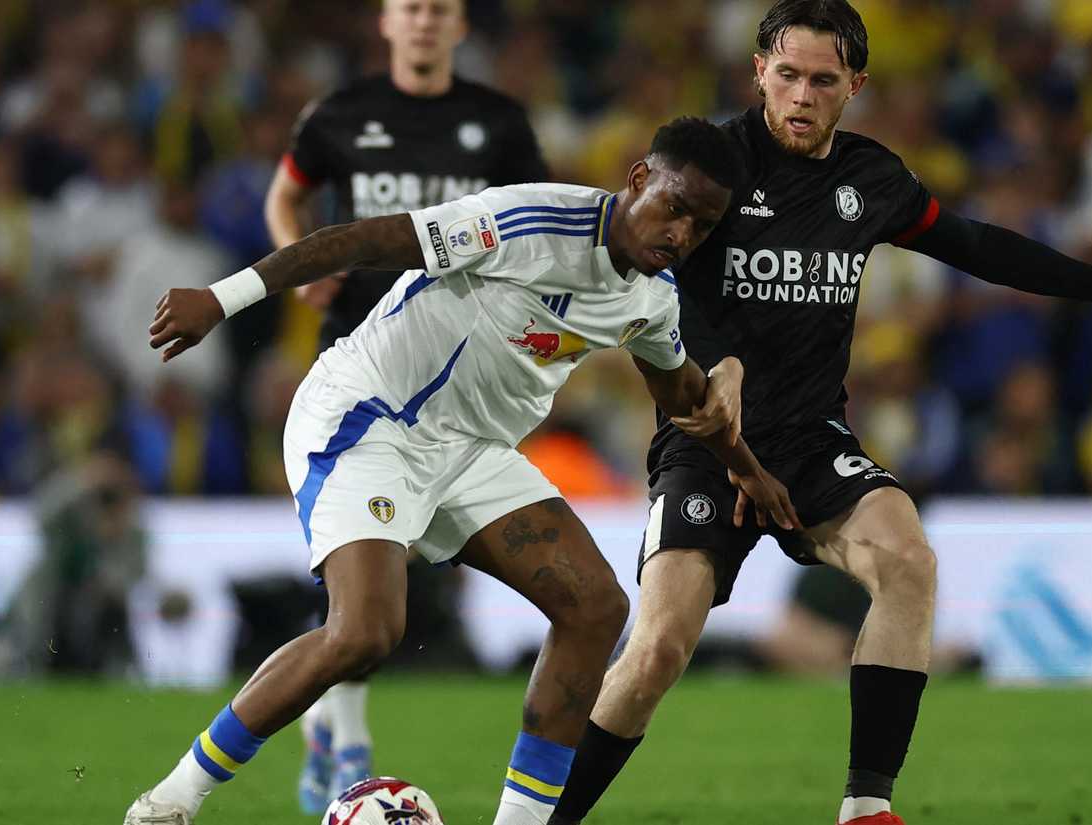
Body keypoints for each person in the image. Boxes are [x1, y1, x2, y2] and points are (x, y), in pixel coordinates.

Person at [546, 4, 1092, 825]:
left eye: (823, 80)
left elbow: (976, 244)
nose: (801, 96)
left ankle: (866, 808)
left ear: (855, 85)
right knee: (655, 649)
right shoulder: (716, 168)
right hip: (707, 448)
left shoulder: (872, 180)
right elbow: (632, 256)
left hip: (811, 441)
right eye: (787, 74)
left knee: (909, 559)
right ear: (758, 68)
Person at [121, 117, 800, 825]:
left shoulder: (651, 302)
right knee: (365, 631)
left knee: (596, 607)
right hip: (370, 416)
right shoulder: (531, 219)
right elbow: (361, 239)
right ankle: (171, 799)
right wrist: (221, 298)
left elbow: (684, 396)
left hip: (471, 451)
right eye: (674, 207)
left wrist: (746, 469)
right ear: (638, 180)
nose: (681, 233)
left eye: (702, 224)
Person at [266, 2, 547, 800]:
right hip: (358, 360)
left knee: (396, 559)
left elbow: (533, 225)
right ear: (387, 22)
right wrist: (300, 259)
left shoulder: (497, 123)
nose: (425, 22)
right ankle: (348, 735)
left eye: (440, 10)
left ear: (460, 27)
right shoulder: (339, 115)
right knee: (366, 552)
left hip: (454, 370)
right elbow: (284, 195)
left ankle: (329, 716)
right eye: (411, 7)